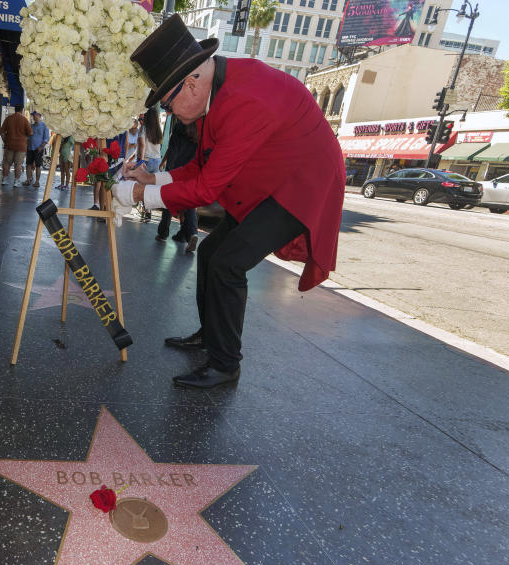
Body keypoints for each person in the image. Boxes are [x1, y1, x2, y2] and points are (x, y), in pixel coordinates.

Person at [112, 15, 344, 388]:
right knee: (210, 254)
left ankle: (225, 364)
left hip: (300, 186)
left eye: (168, 106)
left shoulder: (244, 99)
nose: (170, 115)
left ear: (190, 83)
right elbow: (201, 168)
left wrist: (138, 195)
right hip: (269, 178)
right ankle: (211, 334)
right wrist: (151, 178)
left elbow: (206, 189)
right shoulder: (216, 94)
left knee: (228, 263)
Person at [155, 116, 199, 252]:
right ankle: (190, 233)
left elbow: (173, 149)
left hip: (177, 169)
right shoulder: (199, 128)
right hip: (192, 170)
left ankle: (163, 233)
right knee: (189, 202)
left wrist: (169, 170)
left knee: (169, 199)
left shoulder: (180, 125)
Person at [0, 105, 32, 188]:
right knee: (18, 164)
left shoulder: (8, 119)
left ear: (15, 109)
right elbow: (30, 133)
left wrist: (5, 141)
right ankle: (16, 181)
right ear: (22, 110)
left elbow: (2, 132)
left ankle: (4, 179)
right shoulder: (24, 120)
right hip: (21, 146)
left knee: (7, 163)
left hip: (9, 145)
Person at [26, 111, 50, 187]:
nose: (33, 117)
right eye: (32, 115)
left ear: (38, 115)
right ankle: (28, 179)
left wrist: (41, 147)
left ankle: (37, 182)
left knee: (38, 166)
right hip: (30, 148)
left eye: (34, 115)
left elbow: (46, 139)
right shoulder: (31, 126)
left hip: (38, 149)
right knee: (28, 165)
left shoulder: (44, 126)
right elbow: (28, 137)